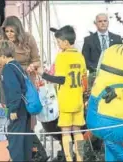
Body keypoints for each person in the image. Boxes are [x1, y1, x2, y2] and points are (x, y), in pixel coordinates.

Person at [38, 25, 87, 162]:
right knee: (77, 131)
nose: (58, 44)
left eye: (58, 42)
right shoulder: (80, 56)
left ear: (65, 42)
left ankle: (69, 158)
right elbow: (84, 77)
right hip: (77, 99)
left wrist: (43, 74)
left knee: (65, 131)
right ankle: (80, 158)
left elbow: (60, 79)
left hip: (65, 100)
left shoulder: (61, 57)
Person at [0, 15, 40, 131]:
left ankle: (31, 143)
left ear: (18, 30)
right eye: (7, 31)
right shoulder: (1, 41)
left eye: (12, 31)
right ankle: (14, 141)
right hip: (9, 80)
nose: (9, 34)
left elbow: (37, 60)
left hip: (26, 79)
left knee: (28, 116)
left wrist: (32, 66)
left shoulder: (29, 39)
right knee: (13, 116)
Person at [0, 40, 33, 161]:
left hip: (17, 108)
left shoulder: (8, 69)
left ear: (2, 55)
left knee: (15, 142)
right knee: (24, 141)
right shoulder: (17, 66)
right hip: (24, 107)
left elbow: (14, 90)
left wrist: (13, 109)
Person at [82, 13, 123, 89]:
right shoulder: (88, 40)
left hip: (113, 76)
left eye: (105, 21)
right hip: (95, 77)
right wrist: (96, 69)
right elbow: (85, 59)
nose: (103, 23)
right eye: (100, 21)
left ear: (108, 22)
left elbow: (121, 57)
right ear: (95, 23)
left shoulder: (117, 38)